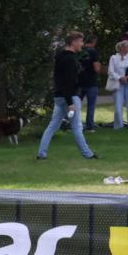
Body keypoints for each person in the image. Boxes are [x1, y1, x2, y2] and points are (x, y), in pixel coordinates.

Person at [36, 31, 98, 160]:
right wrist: (70, 103)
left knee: (52, 126)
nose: (82, 44)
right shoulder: (70, 59)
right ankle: (88, 154)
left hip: (59, 96)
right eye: (80, 41)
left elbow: (60, 80)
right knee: (77, 127)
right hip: (69, 96)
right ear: (74, 42)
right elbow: (68, 82)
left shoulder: (60, 56)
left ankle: (41, 153)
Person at [106, 39, 128, 130]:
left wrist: (127, 77)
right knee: (118, 105)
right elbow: (110, 71)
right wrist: (119, 78)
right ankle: (118, 126)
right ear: (121, 47)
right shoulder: (113, 58)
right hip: (118, 83)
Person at [78, 34, 102, 131]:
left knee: (76, 105)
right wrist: (100, 67)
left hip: (79, 81)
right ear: (94, 41)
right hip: (91, 82)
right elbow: (96, 68)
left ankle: (76, 124)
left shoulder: (80, 51)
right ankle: (90, 126)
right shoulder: (93, 52)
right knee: (91, 105)